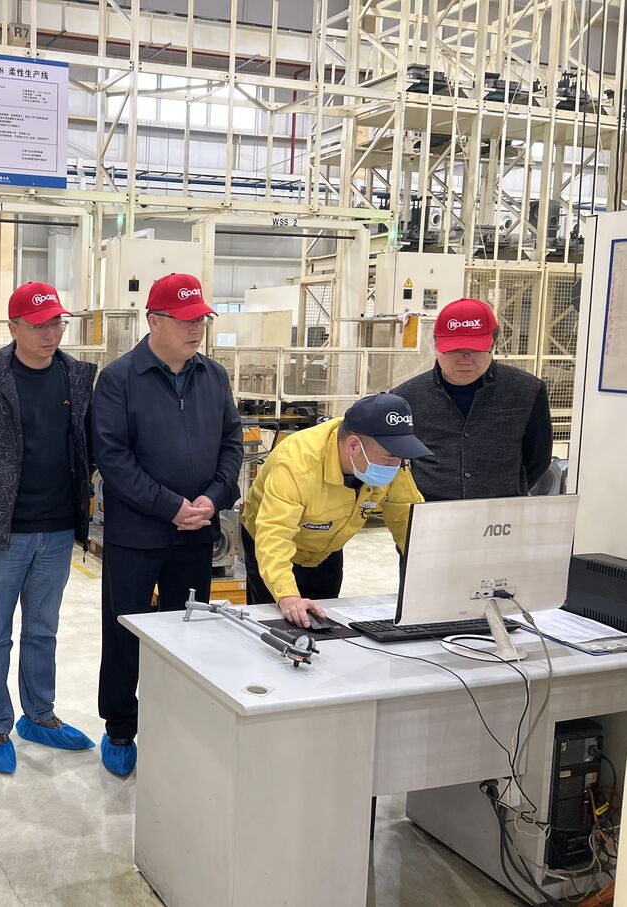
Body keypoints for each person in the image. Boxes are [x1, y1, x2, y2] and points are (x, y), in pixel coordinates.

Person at [92, 273, 243, 778]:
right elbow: (113, 458)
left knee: (187, 631)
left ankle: (179, 722)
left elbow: (231, 444)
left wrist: (213, 498)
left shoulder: (213, 376)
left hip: (196, 532)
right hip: (136, 535)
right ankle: (120, 727)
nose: (196, 328)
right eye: (184, 320)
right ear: (154, 321)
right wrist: (169, 506)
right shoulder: (119, 379)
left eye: (201, 319)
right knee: (124, 632)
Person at [0, 282, 98, 774]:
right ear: (13, 327)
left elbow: (88, 445)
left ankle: (39, 714)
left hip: (57, 529)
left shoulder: (77, 376)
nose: (50, 333)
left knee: (43, 629)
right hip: (2, 531)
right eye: (38, 326)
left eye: (57, 323)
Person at [241, 393, 429, 629]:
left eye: (401, 458)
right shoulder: (297, 463)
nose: (397, 465)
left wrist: (431, 573)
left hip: (328, 544)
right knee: (277, 622)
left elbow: (407, 520)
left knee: (324, 620)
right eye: (390, 457)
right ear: (353, 445)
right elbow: (274, 534)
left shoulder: (393, 462)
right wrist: (287, 596)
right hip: (270, 542)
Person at [392, 297, 553, 501]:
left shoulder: (527, 391)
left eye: (475, 350)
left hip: (501, 511)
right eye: (454, 350)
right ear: (437, 347)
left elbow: (538, 458)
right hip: (429, 510)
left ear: (493, 345)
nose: (465, 360)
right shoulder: (405, 398)